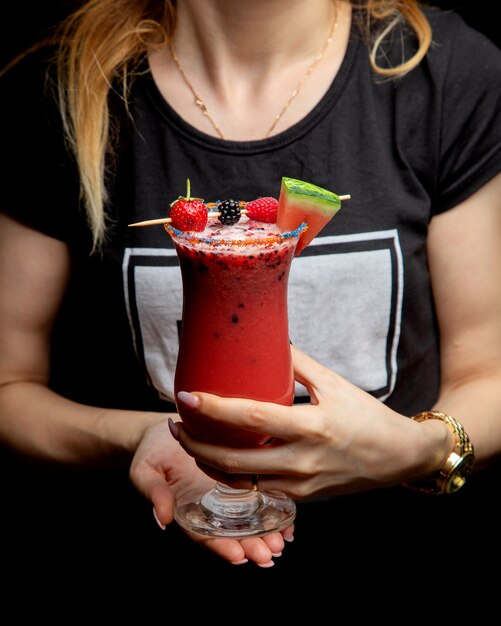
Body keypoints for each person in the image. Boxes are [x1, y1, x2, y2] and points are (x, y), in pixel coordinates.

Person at [1, 0, 500, 610]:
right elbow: (8, 386)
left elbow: (490, 374)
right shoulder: (64, 86)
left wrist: (415, 450)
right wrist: (145, 435)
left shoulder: (445, 71)